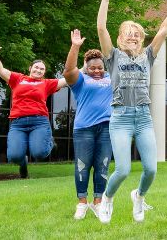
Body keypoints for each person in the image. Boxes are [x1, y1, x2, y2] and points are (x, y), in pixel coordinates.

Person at [94, 0, 167, 223]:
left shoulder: (148, 56)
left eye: (136, 35)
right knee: (122, 169)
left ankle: (139, 196)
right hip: (120, 118)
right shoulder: (112, 56)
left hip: (143, 118)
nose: (132, 37)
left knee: (151, 169)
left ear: (140, 38)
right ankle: (107, 199)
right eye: (128, 34)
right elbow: (101, 29)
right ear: (121, 38)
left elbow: (163, 30)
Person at [0, 36, 69, 179]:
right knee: (14, 156)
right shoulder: (18, 79)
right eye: (36, 67)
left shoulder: (47, 83)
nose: (38, 70)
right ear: (30, 68)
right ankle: (23, 163)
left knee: (39, 153)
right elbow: (1, 70)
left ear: (44, 72)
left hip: (39, 122)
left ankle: (50, 141)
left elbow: (69, 78)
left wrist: (85, 68)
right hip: (18, 123)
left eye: (42, 69)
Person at [60, 29, 112, 220]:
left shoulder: (110, 78)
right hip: (84, 129)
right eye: (93, 68)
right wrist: (75, 47)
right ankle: (82, 202)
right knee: (82, 166)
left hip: (107, 128)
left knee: (102, 165)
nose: (97, 71)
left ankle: (98, 203)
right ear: (86, 68)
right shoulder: (81, 80)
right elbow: (68, 71)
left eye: (100, 68)